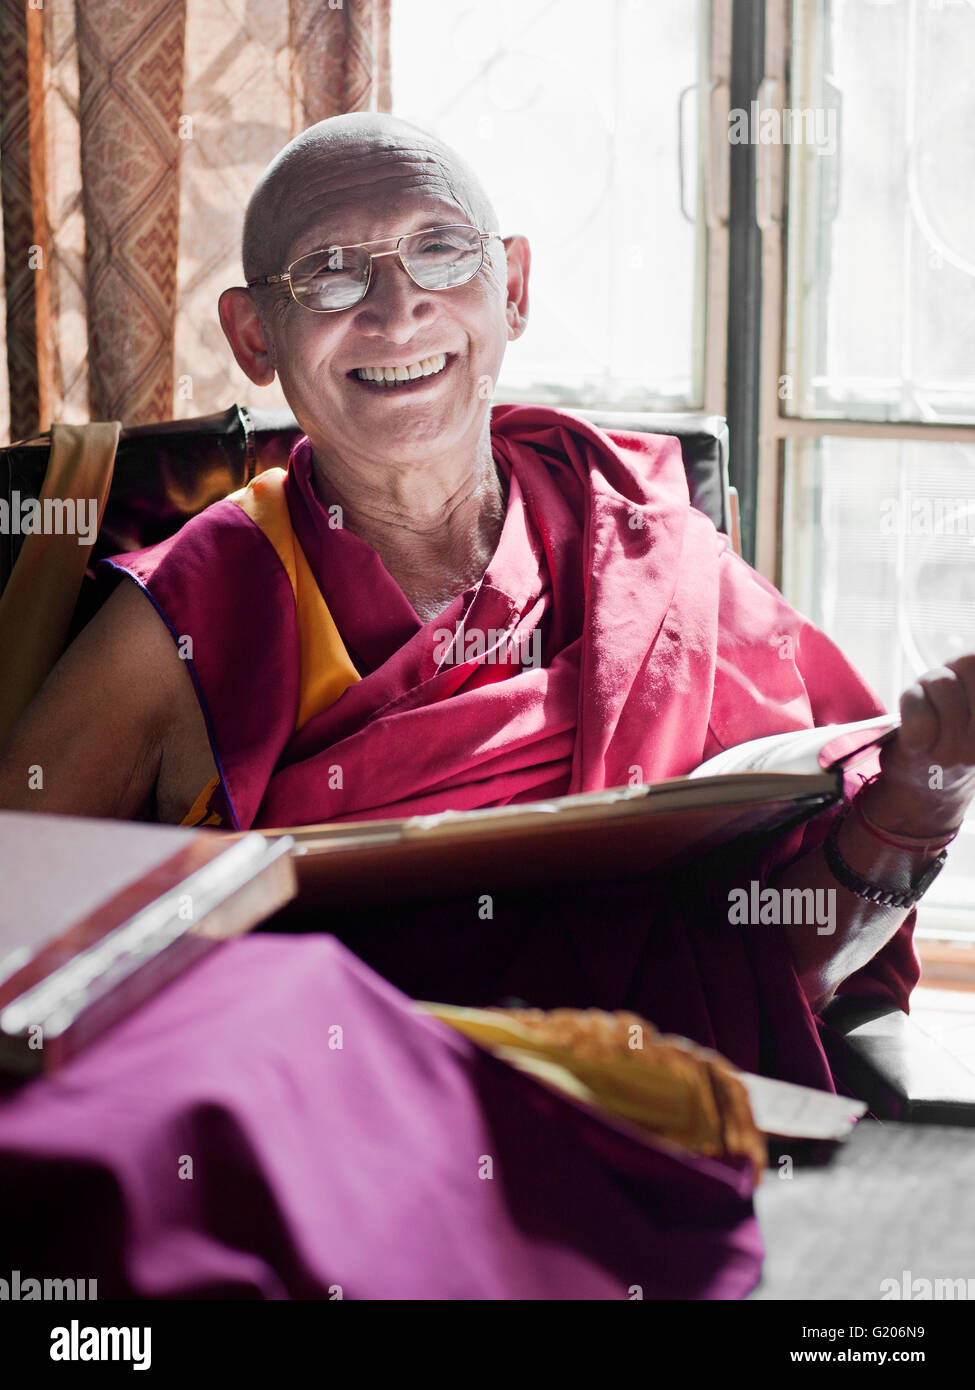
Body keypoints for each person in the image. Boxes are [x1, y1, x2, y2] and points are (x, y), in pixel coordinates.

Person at [1, 113, 973, 1087]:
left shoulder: (651, 555)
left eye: (438, 250)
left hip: (647, 1123)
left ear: (510, 287)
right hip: (325, 1135)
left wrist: (918, 804)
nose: (397, 310)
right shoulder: (187, 613)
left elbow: (784, 963)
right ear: (256, 336)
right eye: (331, 270)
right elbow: (13, 924)